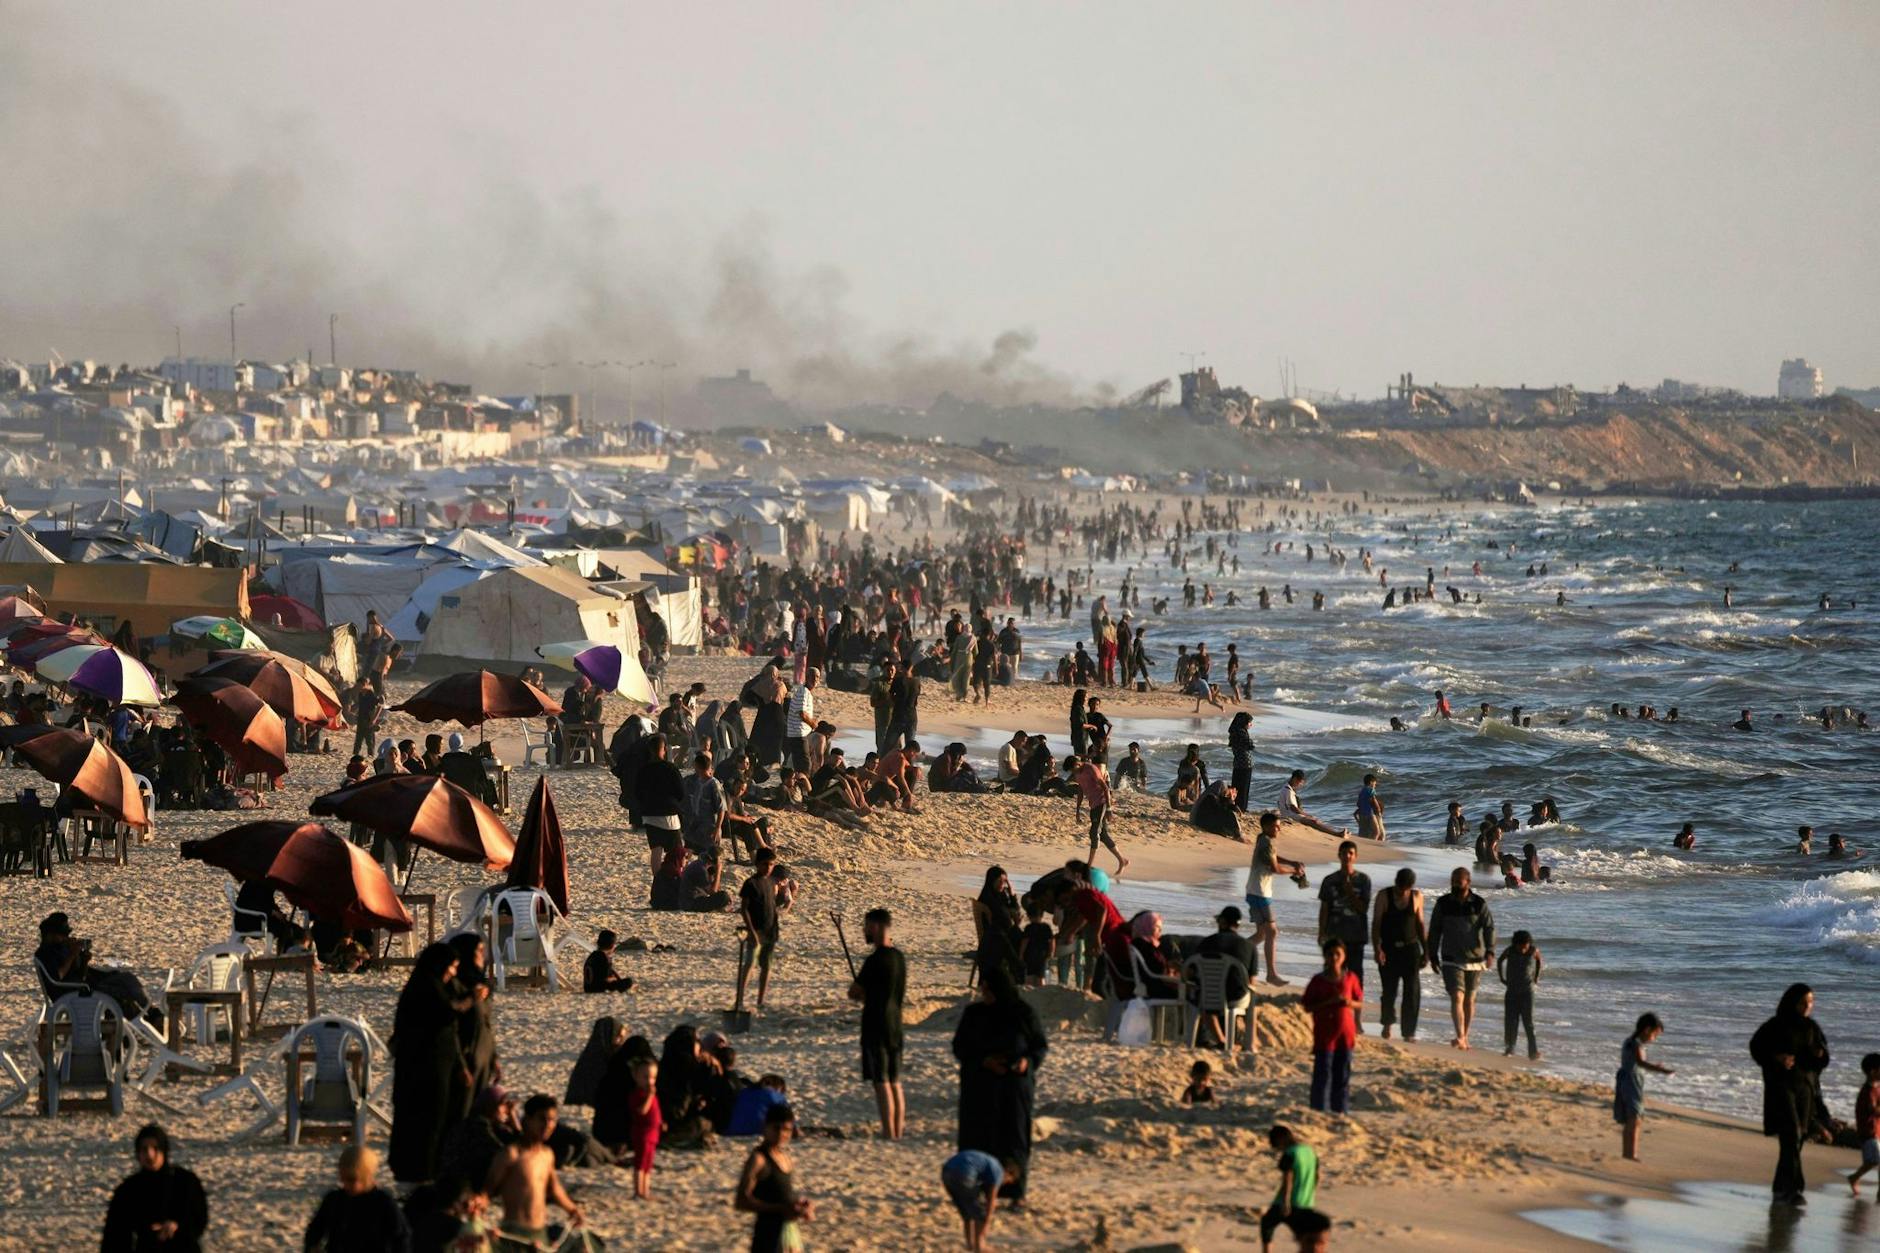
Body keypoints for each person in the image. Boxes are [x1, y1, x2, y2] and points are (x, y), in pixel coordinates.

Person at [952, 967, 1048, 1205]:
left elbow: (1038, 1046)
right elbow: (961, 1047)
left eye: (988, 990)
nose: (984, 994)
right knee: (978, 1139)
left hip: (1013, 1089)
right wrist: (984, 1061)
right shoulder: (974, 1014)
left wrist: (1026, 1063)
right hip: (980, 1087)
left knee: (1013, 1139)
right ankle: (977, 1190)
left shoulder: (1023, 1013)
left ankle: (1015, 1193)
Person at [389, 944, 471, 1184]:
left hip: (432, 1067)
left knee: (430, 1119)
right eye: (451, 967)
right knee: (424, 1121)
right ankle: (420, 1172)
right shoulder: (425, 988)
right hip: (422, 1068)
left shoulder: (431, 985)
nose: (453, 973)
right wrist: (470, 1000)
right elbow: (445, 1014)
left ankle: (424, 1170)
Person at [1749, 983, 1831, 1204]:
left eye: (1811, 1002)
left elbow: (1822, 1060)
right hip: (1782, 1087)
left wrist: (1819, 1055)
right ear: (1792, 1003)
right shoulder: (1775, 1025)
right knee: (1792, 1134)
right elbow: (1756, 1047)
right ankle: (1794, 1188)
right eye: (1803, 1002)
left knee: (1797, 1138)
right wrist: (1777, 1058)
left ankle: (1780, 1188)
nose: (1808, 1006)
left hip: (1806, 1089)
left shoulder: (1812, 1028)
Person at [486, 1095, 586, 1245]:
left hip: (539, 1234)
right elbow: (486, 1192)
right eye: (541, 1119)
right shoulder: (511, 1155)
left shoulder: (547, 1155)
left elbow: (555, 1189)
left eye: (552, 1120)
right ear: (527, 1120)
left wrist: (572, 1210)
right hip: (515, 1234)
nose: (547, 1125)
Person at [102, 1123, 210, 1253]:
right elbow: (114, 1236)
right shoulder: (129, 1189)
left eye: (155, 1148)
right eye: (144, 1149)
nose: (150, 1155)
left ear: (164, 1150)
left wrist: (177, 1226)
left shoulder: (185, 1181)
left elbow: (199, 1218)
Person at [848, 907, 907, 1140]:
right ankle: (897, 1132)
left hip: (876, 1023)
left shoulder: (875, 960)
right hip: (895, 1024)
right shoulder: (899, 958)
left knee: (881, 1081)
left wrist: (863, 995)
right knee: (895, 1081)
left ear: (875, 926)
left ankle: (888, 1132)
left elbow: (854, 992)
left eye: (867, 926)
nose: (865, 931)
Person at [35, 911, 155, 1022]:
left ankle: (148, 1015)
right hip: (72, 993)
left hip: (83, 987)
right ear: (50, 935)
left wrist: (84, 960)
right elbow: (57, 976)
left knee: (126, 979)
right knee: (120, 993)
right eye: (63, 934)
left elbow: (81, 976)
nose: (66, 938)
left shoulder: (61, 948)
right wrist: (72, 955)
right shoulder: (44, 953)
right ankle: (136, 1023)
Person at [1427, 867, 1494, 1051]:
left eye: (1459, 881)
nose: (1455, 885)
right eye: (1453, 881)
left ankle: (1465, 1035)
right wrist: (1432, 954)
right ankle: (1460, 1036)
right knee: (1457, 996)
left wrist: (1490, 951)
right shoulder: (1443, 904)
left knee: (1469, 1000)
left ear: (1468, 882)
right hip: (1450, 958)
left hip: (1475, 958)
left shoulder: (1478, 904)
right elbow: (1434, 930)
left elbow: (1489, 928)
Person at [304, 1145, 411, 1253]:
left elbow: (401, 1238)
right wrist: (312, 1246)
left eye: (351, 1180)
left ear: (367, 1177)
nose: (346, 1184)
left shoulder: (383, 1203)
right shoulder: (335, 1200)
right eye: (343, 1179)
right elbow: (316, 1229)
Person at [737, 1103, 813, 1253]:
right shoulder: (758, 1159)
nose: (781, 1134)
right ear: (765, 1127)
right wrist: (780, 1209)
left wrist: (800, 1204)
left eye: (786, 1130)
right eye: (776, 1128)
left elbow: (780, 1194)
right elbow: (742, 1201)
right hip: (767, 1236)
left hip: (788, 1233)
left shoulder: (785, 1158)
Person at [1246, 811, 1306, 987]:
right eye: (1275, 826)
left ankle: (1237, 950)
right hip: (1260, 892)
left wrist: (1292, 862)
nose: (1278, 829)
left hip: (1254, 891)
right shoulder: (1266, 841)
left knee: (1262, 934)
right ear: (1266, 827)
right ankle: (1271, 975)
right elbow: (1274, 868)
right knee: (1271, 932)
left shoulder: (1262, 839)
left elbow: (1272, 856)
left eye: (1279, 826)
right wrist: (1294, 871)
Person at [1301, 940, 1361, 1114]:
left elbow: (1359, 1002)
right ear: (1325, 956)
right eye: (1330, 954)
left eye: (1337, 954)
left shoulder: (1350, 978)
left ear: (1344, 956)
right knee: (1323, 1073)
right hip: (1325, 1035)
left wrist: (1349, 1003)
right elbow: (1307, 1006)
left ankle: (1340, 1110)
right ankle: (1318, 1109)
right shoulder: (1318, 981)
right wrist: (1329, 1002)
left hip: (1346, 1034)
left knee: (1342, 1075)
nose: (1334, 957)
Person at [1316, 841, 1373, 1025]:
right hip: (1334, 936)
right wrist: (1321, 932)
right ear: (1339, 855)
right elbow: (1324, 908)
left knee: (1356, 978)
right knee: (1332, 976)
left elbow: (1363, 908)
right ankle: (1331, 1014)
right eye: (1344, 853)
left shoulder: (1363, 880)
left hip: (1356, 936)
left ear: (1355, 856)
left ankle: (1356, 1020)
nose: (1347, 856)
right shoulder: (1329, 880)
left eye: (1351, 853)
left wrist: (1349, 891)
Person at [1371, 868, 1426, 1042]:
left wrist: (1427, 951)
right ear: (1396, 882)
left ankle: (1408, 1032)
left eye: (1406, 888)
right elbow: (1376, 924)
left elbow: (1420, 925)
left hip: (1411, 949)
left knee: (1412, 991)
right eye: (1400, 887)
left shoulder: (1416, 896)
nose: (1402, 892)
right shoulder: (1384, 896)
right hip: (1389, 950)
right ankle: (1387, 1023)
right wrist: (1377, 949)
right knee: (1389, 990)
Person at [1614, 1013, 1673, 1162]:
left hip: (1626, 1081)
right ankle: (1631, 1154)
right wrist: (1660, 1070)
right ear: (1647, 1030)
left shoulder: (1629, 1041)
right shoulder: (1636, 1044)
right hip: (1631, 1083)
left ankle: (1627, 1153)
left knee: (1631, 1119)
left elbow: (1636, 1063)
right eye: (1655, 1035)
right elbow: (1640, 1062)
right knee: (1635, 1119)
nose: (1654, 1039)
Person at [1259, 1125, 1320, 1253]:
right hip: (1307, 1202)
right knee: (1304, 1235)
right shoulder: (1310, 1151)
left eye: (1277, 1145)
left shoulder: (1290, 1153)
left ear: (1281, 1139)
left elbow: (1288, 1178)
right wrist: (1310, 1194)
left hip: (1288, 1202)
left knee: (1267, 1225)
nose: (1279, 1149)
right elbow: (1317, 1176)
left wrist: (1285, 1201)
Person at [737, 848, 782, 1012]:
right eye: (765, 864)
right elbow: (744, 910)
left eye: (771, 864)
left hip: (770, 930)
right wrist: (752, 932)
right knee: (749, 965)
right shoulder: (750, 883)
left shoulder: (772, 882)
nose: (768, 867)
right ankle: (740, 1000)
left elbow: (772, 905)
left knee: (767, 966)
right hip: (756, 931)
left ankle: (760, 1001)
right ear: (757, 864)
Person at [940, 1150, 1008, 1253]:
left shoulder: (988, 1163)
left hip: (947, 1171)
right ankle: (979, 1246)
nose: (1003, 1184)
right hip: (964, 1172)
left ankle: (970, 1244)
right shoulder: (998, 1172)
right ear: (1008, 1172)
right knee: (980, 1215)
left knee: (967, 1213)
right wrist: (986, 1222)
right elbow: (991, 1201)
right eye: (1007, 1181)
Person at [1072, 753, 1126, 874]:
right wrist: (1078, 810)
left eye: (1073, 768)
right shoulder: (1078, 774)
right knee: (1103, 835)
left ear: (1078, 763)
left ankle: (1088, 866)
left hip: (1102, 802)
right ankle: (1122, 860)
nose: (1073, 772)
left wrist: (1109, 808)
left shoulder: (1092, 769)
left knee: (1094, 832)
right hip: (1093, 804)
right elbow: (1080, 790)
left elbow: (1106, 788)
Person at [1497, 929, 1543, 1059]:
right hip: (1511, 990)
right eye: (1520, 947)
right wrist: (1501, 977)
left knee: (1529, 1021)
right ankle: (1510, 1048)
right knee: (1511, 1020)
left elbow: (1539, 961)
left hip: (1527, 991)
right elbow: (1500, 960)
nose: (1523, 949)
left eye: (1525, 947)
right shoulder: (1510, 951)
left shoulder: (1533, 951)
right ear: (1515, 944)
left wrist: (1536, 977)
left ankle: (1533, 1051)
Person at [623, 1057, 662, 1200]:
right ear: (636, 1076)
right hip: (642, 1134)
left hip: (653, 1133)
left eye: (653, 1078)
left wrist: (661, 1123)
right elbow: (642, 1111)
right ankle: (638, 1191)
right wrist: (650, 1096)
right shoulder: (637, 1094)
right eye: (646, 1077)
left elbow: (655, 1111)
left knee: (648, 1164)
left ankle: (645, 1191)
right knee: (640, 1163)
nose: (650, 1081)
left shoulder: (651, 1094)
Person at [1848, 1052, 1880, 1199]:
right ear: (1873, 1072)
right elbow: (1873, 1110)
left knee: (1874, 1161)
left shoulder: (1876, 1088)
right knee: (1873, 1161)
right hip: (1869, 1131)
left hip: (1876, 1130)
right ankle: (1854, 1177)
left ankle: (1855, 1177)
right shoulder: (1868, 1091)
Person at [1279, 770, 1345, 837]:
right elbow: (1293, 808)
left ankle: (1335, 831)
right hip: (1290, 815)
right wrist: (1307, 815)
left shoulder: (1287, 788)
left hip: (1290, 813)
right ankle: (1336, 834)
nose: (1300, 784)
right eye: (1299, 782)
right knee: (1314, 821)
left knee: (1315, 820)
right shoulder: (1288, 790)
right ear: (1295, 779)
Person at [784, 668, 820, 773]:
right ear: (807, 677)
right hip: (798, 734)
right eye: (812, 676)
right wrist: (813, 724)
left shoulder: (806, 692)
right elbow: (802, 714)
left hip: (799, 733)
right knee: (804, 765)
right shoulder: (803, 692)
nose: (815, 679)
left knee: (802, 763)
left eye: (817, 677)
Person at [1019, 899, 1055, 988]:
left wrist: (1021, 954)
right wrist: (1051, 952)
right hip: (1042, 956)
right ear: (1042, 915)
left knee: (1030, 977)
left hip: (1030, 955)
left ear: (1028, 916)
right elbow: (1052, 941)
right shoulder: (1046, 927)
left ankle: (1030, 991)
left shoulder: (1029, 927)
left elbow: (1025, 942)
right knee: (1041, 977)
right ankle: (1041, 991)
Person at [1228, 712, 1255, 813]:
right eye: (1249, 722)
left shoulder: (1234, 731)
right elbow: (1251, 745)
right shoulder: (1242, 732)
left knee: (1236, 785)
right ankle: (1242, 807)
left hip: (1238, 762)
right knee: (1244, 787)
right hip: (1245, 762)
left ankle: (1235, 805)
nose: (1251, 725)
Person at [1354, 772, 1386, 841]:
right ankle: (1372, 843)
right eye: (1375, 784)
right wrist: (1378, 808)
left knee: (1364, 831)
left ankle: (1364, 842)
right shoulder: (1371, 790)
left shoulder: (1362, 791)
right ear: (1371, 782)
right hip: (1369, 813)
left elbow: (1358, 803)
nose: (1375, 785)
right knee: (1377, 832)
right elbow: (1374, 799)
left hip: (1362, 814)